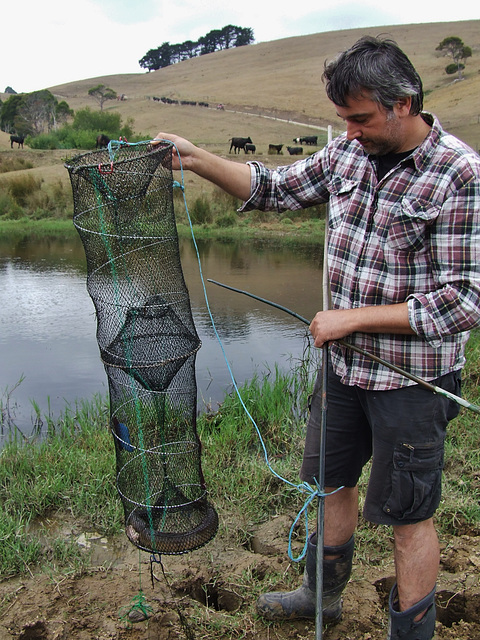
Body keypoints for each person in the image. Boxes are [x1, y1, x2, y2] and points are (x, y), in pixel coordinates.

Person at [153, 36, 480, 640]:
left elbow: (464, 301)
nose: (349, 132)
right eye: (342, 120)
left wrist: (351, 319)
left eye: (360, 118)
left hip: (413, 379)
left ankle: (412, 633)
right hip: (343, 373)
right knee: (330, 481)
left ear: (404, 103)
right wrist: (194, 157)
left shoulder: (457, 173)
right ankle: (319, 596)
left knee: (410, 515)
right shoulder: (347, 156)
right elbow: (272, 187)